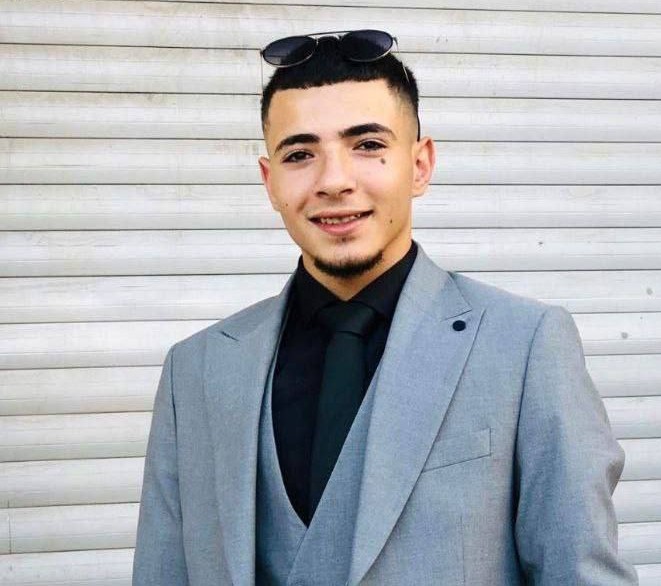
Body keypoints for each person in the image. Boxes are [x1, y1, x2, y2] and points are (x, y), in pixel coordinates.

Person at [133, 30, 638, 585]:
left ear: (420, 165)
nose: (334, 181)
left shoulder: (525, 345)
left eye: (368, 145)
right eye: (300, 154)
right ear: (270, 181)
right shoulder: (196, 370)